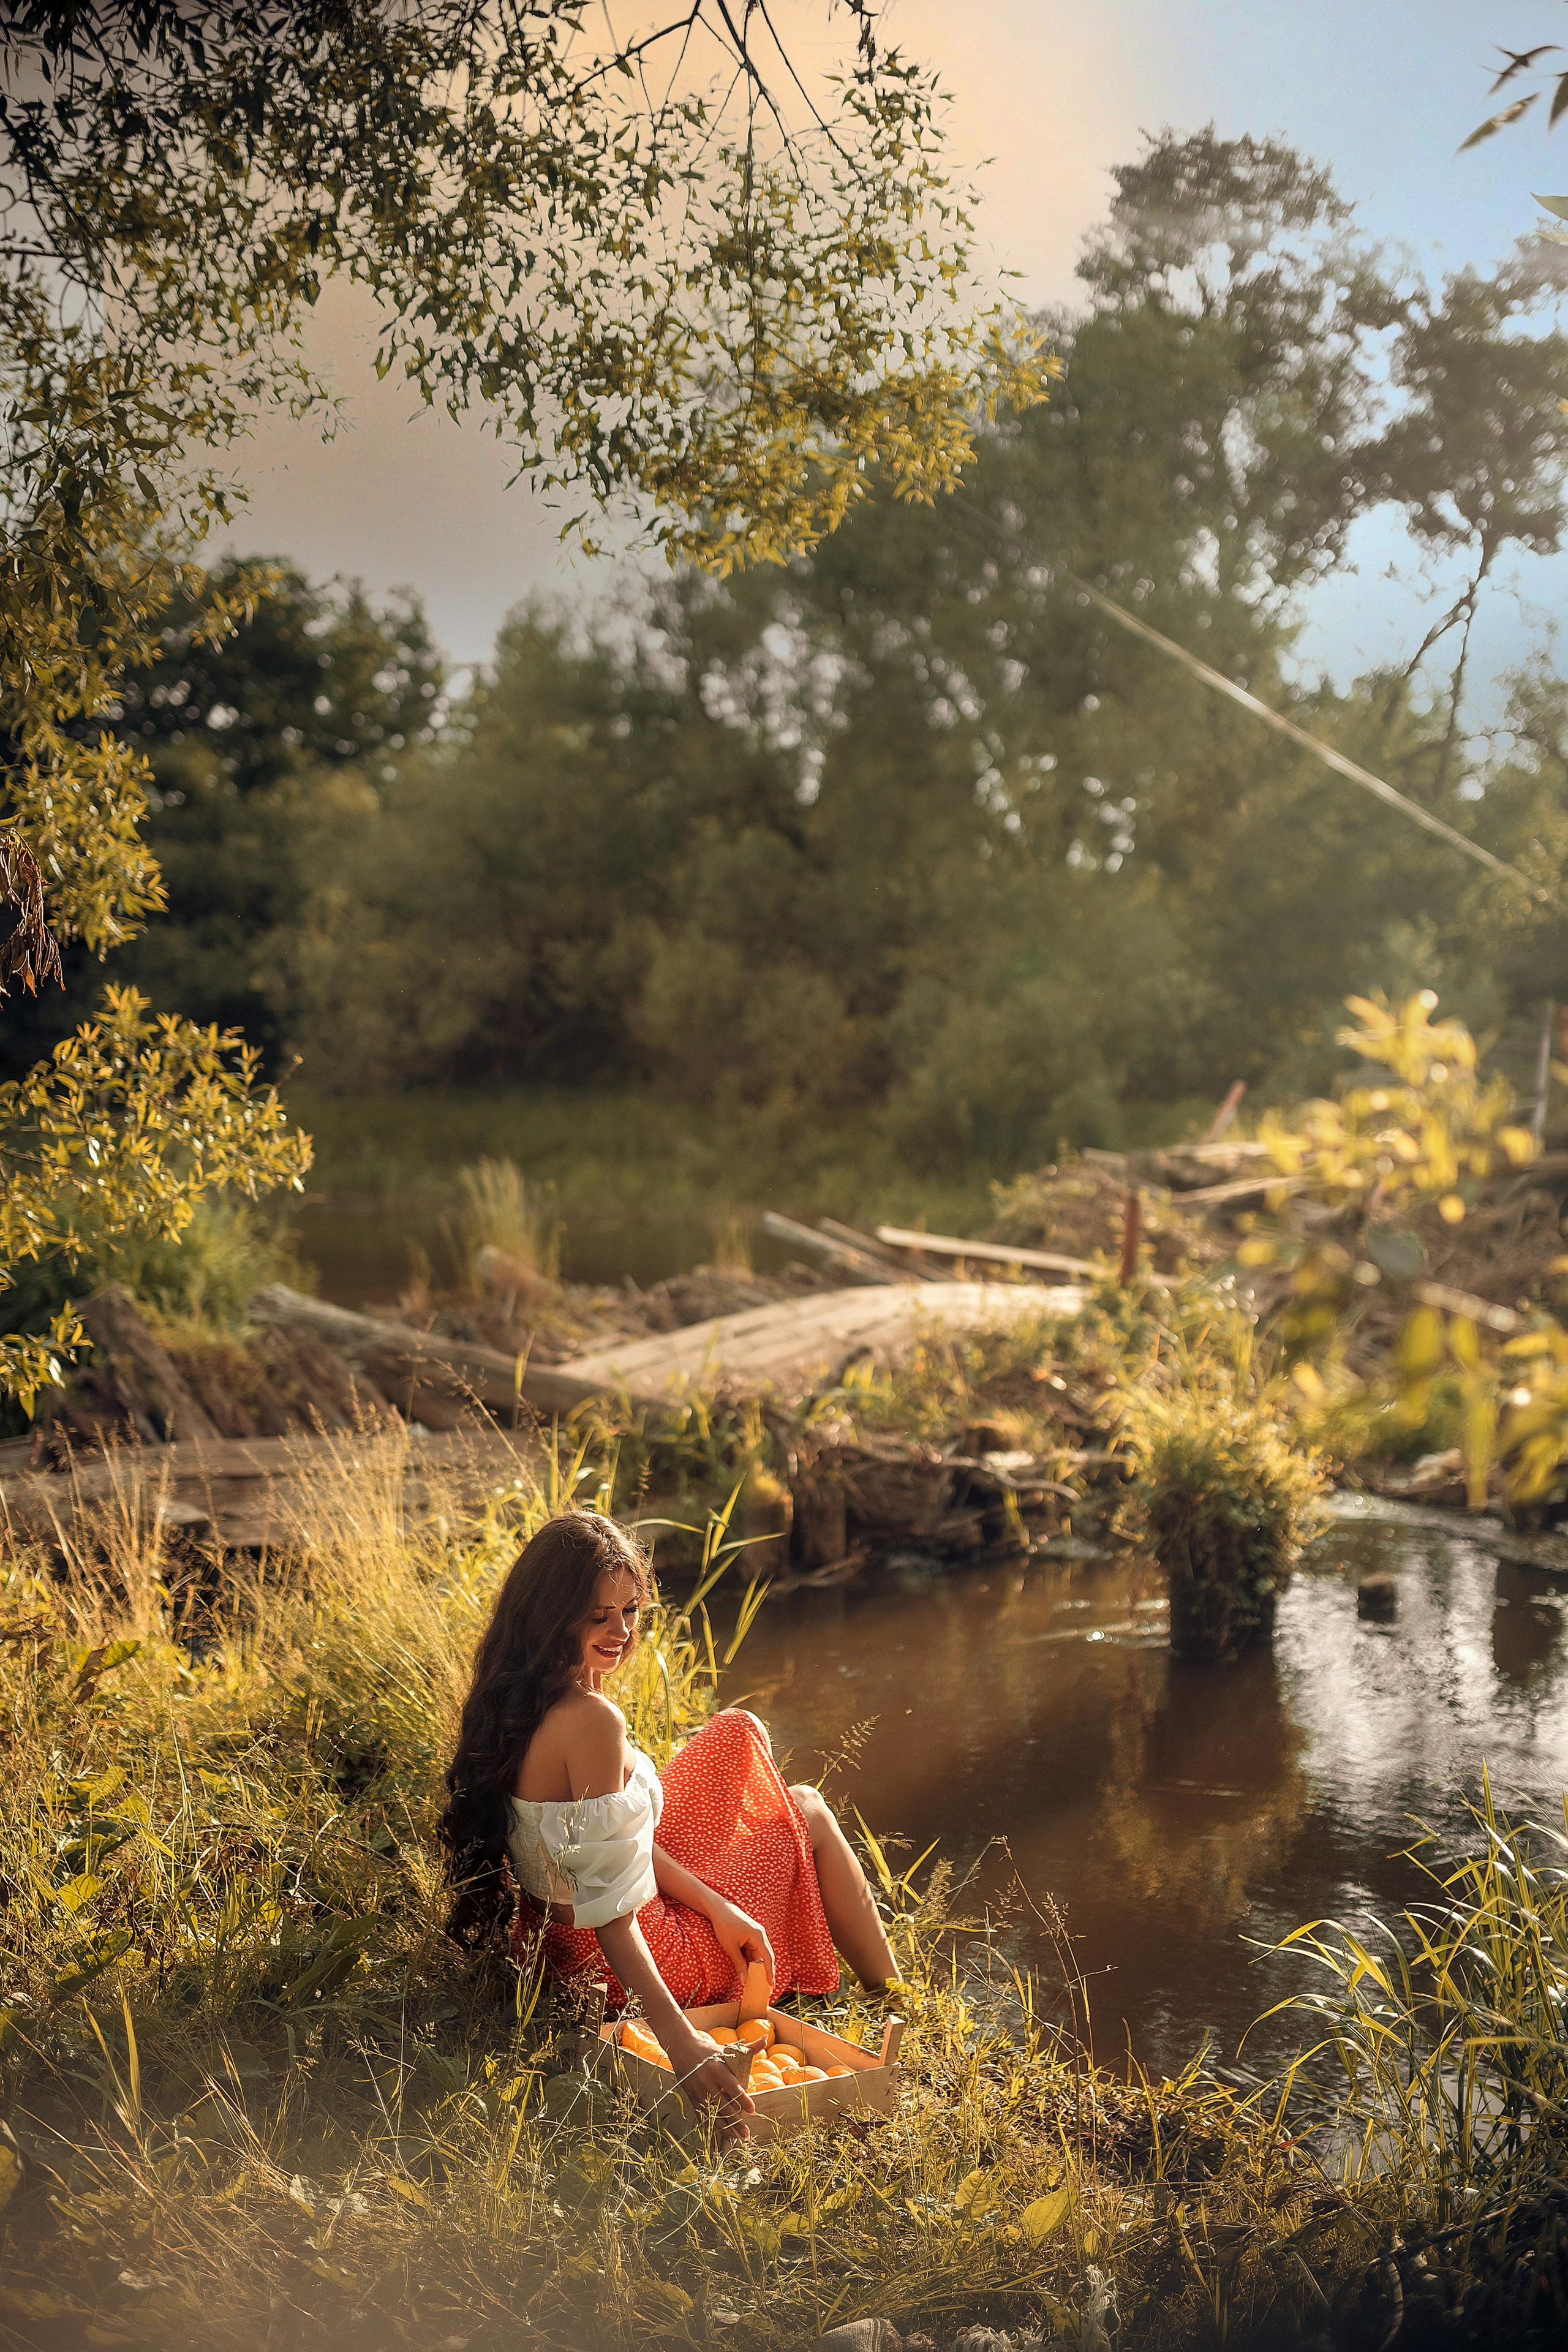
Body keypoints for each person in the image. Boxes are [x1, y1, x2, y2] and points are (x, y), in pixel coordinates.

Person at [439, 1509, 897, 2132]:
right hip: (634, 1957)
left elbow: (593, 1850)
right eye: (597, 1617)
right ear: (549, 1615)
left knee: (738, 1733)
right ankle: (894, 2000)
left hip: (554, 1939)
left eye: (629, 1611)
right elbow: (610, 1907)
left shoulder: (518, 1693)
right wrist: (680, 2043)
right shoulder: (592, 1722)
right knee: (808, 1810)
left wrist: (715, 1903)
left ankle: (887, 1992)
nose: (620, 1632)